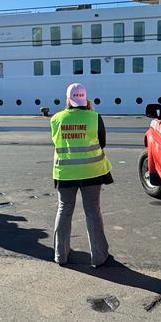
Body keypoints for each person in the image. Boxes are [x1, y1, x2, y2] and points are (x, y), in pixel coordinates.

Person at [49, 82, 114, 267]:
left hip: (65, 173)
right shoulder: (95, 117)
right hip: (92, 172)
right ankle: (99, 257)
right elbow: (102, 143)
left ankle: (60, 255)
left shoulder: (56, 119)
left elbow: (56, 143)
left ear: (67, 99)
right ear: (85, 99)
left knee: (64, 210)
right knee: (93, 212)